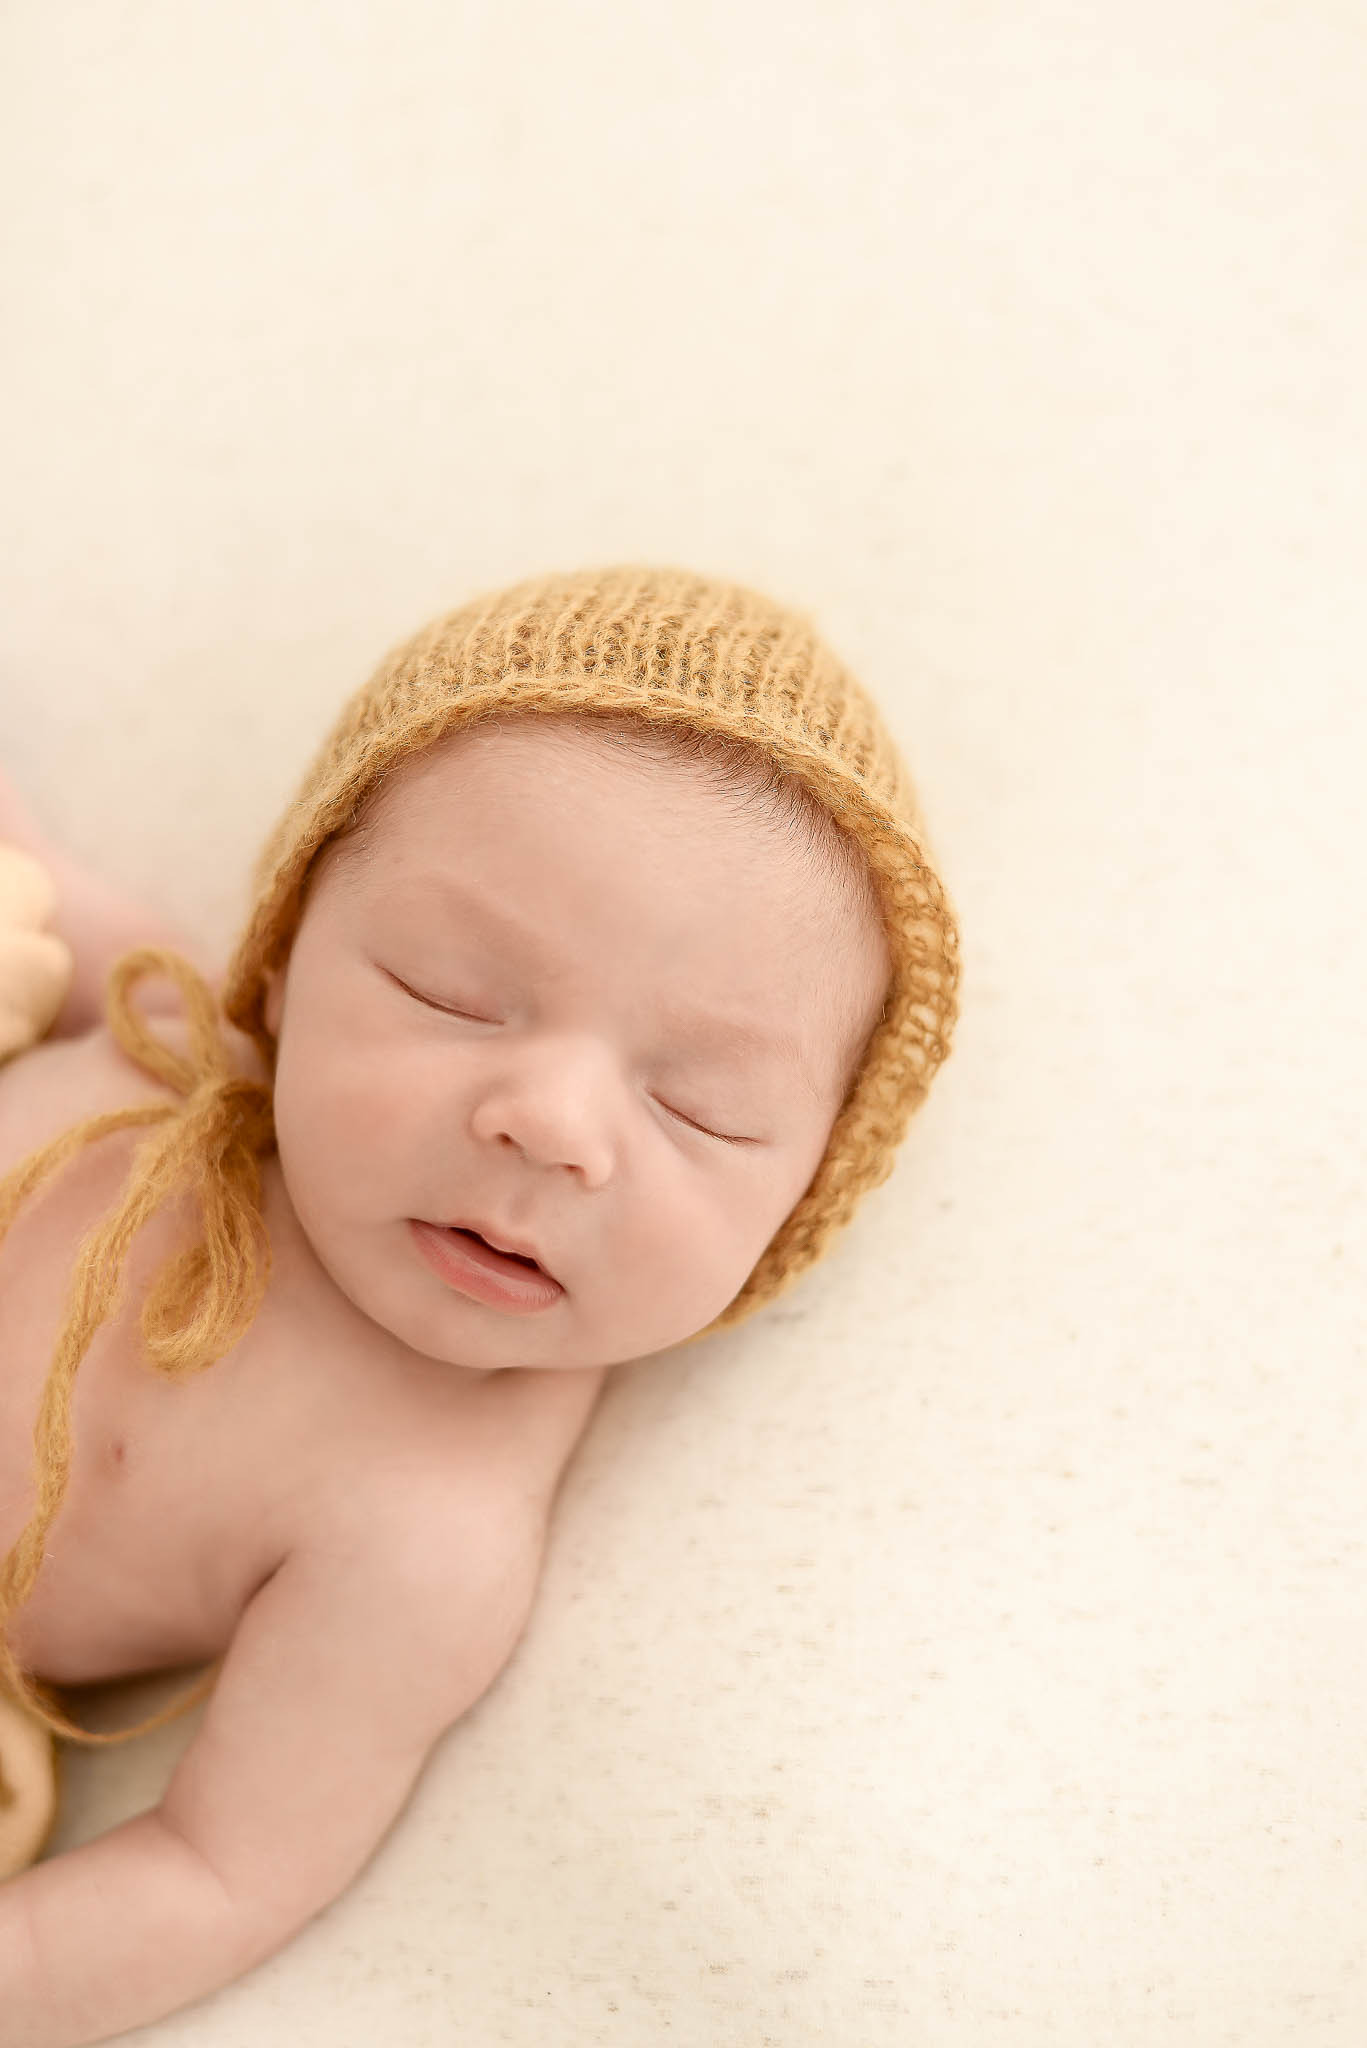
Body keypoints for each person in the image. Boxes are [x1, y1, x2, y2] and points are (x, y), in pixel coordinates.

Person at [0, 562, 960, 2043]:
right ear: (293, 947)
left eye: (699, 1108)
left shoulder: (425, 1529)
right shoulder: (174, 1027)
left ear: (802, 1208)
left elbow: (217, 1871)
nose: (555, 1119)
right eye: (450, 990)